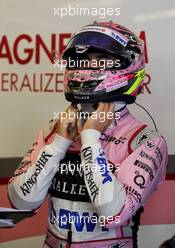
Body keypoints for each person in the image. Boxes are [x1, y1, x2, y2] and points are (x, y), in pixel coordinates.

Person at [8, 21, 168, 248]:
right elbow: (21, 202)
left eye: (101, 61)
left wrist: (91, 138)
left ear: (128, 66)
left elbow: (113, 214)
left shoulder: (147, 141)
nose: (86, 70)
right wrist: (58, 144)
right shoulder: (56, 128)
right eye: (82, 61)